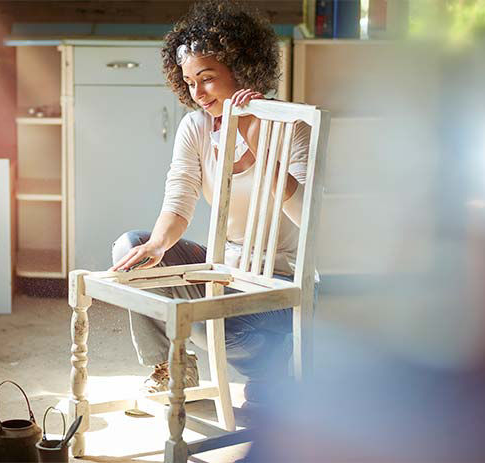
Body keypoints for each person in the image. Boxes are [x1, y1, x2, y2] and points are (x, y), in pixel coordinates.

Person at [109, 0, 312, 409]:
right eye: (188, 82)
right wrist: (158, 246)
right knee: (129, 246)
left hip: (279, 283)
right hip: (225, 268)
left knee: (214, 320)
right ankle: (173, 367)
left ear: (242, 68)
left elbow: (305, 215)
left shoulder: (294, 127)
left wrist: (254, 134)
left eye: (207, 78)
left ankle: (272, 371)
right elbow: (179, 199)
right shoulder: (196, 127)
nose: (196, 94)